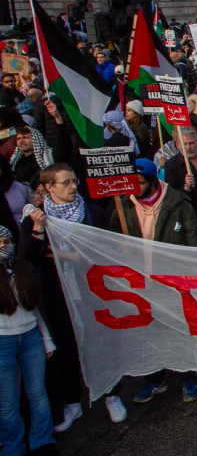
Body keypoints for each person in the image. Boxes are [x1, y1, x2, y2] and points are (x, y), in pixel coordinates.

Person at [19, 164, 123, 429]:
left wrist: (62, 254)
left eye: (74, 181)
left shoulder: (93, 213)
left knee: (101, 341)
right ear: (48, 187)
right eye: (65, 183)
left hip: (93, 289)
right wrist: (39, 231)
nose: (73, 186)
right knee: (66, 346)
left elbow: (102, 250)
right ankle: (73, 402)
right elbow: (28, 256)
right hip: (56, 294)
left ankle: (112, 394)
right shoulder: (34, 219)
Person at [117, 159, 197, 404]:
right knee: (147, 334)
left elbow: (194, 244)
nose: (134, 187)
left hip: (172, 282)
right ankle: (154, 379)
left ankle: (187, 377)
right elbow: (109, 242)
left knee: (179, 330)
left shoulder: (178, 204)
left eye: (140, 182)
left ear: (153, 181)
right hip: (139, 283)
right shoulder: (122, 206)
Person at [0, 224, 56, 456]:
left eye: (6, 242)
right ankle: (12, 447)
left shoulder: (22, 269)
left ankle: (42, 441)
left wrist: (47, 340)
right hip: (3, 344)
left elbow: (34, 309)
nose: (4, 248)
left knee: (37, 393)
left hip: (31, 338)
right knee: (8, 401)